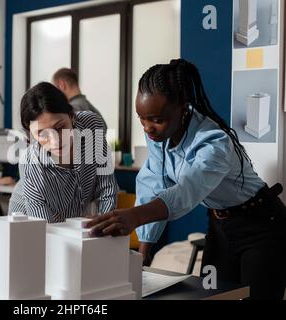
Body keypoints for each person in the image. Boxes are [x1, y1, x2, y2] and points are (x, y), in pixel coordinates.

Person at [86, 59, 286, 299]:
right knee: (214, 295)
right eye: (142, 118)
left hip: (261, 224)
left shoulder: (214, 144)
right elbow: (153, 182)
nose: (148, 128)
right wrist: (144, 249)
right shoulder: (160, 136)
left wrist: (134, 216)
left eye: (156, 119)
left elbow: (186, 190)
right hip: (219, 225)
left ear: (183, 108)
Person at [8, 82, 118, 222]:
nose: (55, 141)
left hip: (71, 220)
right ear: (31, 135)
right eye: (42, 134)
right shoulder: (31, 164)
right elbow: (44, 228)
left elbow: (107, 187)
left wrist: (104, 226)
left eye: (60, 127)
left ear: (72, 115)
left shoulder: (90, 126)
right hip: (27, 220)